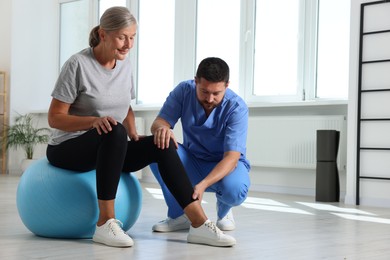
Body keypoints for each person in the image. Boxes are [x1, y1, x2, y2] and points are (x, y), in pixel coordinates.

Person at [46, 7, 235, 248]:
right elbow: (55, 117)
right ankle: (105, 223)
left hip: (108, 145)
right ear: (103, 35)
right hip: (68, 148)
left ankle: (199, 224)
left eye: (132, 37)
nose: (128, 44)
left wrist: (134, 133)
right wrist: (92, 121)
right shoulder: (78, 64)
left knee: (163, 142)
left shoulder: (124, 65)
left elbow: (124, 106)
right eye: (122, 37)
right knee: (115, 131)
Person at [150, 57, 251, 233]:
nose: (210, 98)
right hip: (193, 160)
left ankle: (225, 210)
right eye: (204, 91)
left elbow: (231, 157)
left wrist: (203, 184)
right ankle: (179, 214)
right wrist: (162, 129)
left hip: (227, 165)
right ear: (195, 81)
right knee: (154, 146)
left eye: (216, 93)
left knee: (234, 191)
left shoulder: (237, 108)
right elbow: (159, 123)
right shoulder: (183, 91)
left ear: (227, 86)